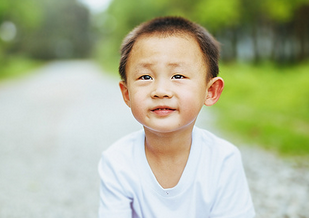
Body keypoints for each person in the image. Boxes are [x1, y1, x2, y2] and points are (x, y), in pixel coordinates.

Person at [98, 16, 255, 218]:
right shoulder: (117, 161)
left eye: (178, 76)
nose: (161, 91)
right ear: (127, 93)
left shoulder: (223, 159)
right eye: (146, 77)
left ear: (211, 91)